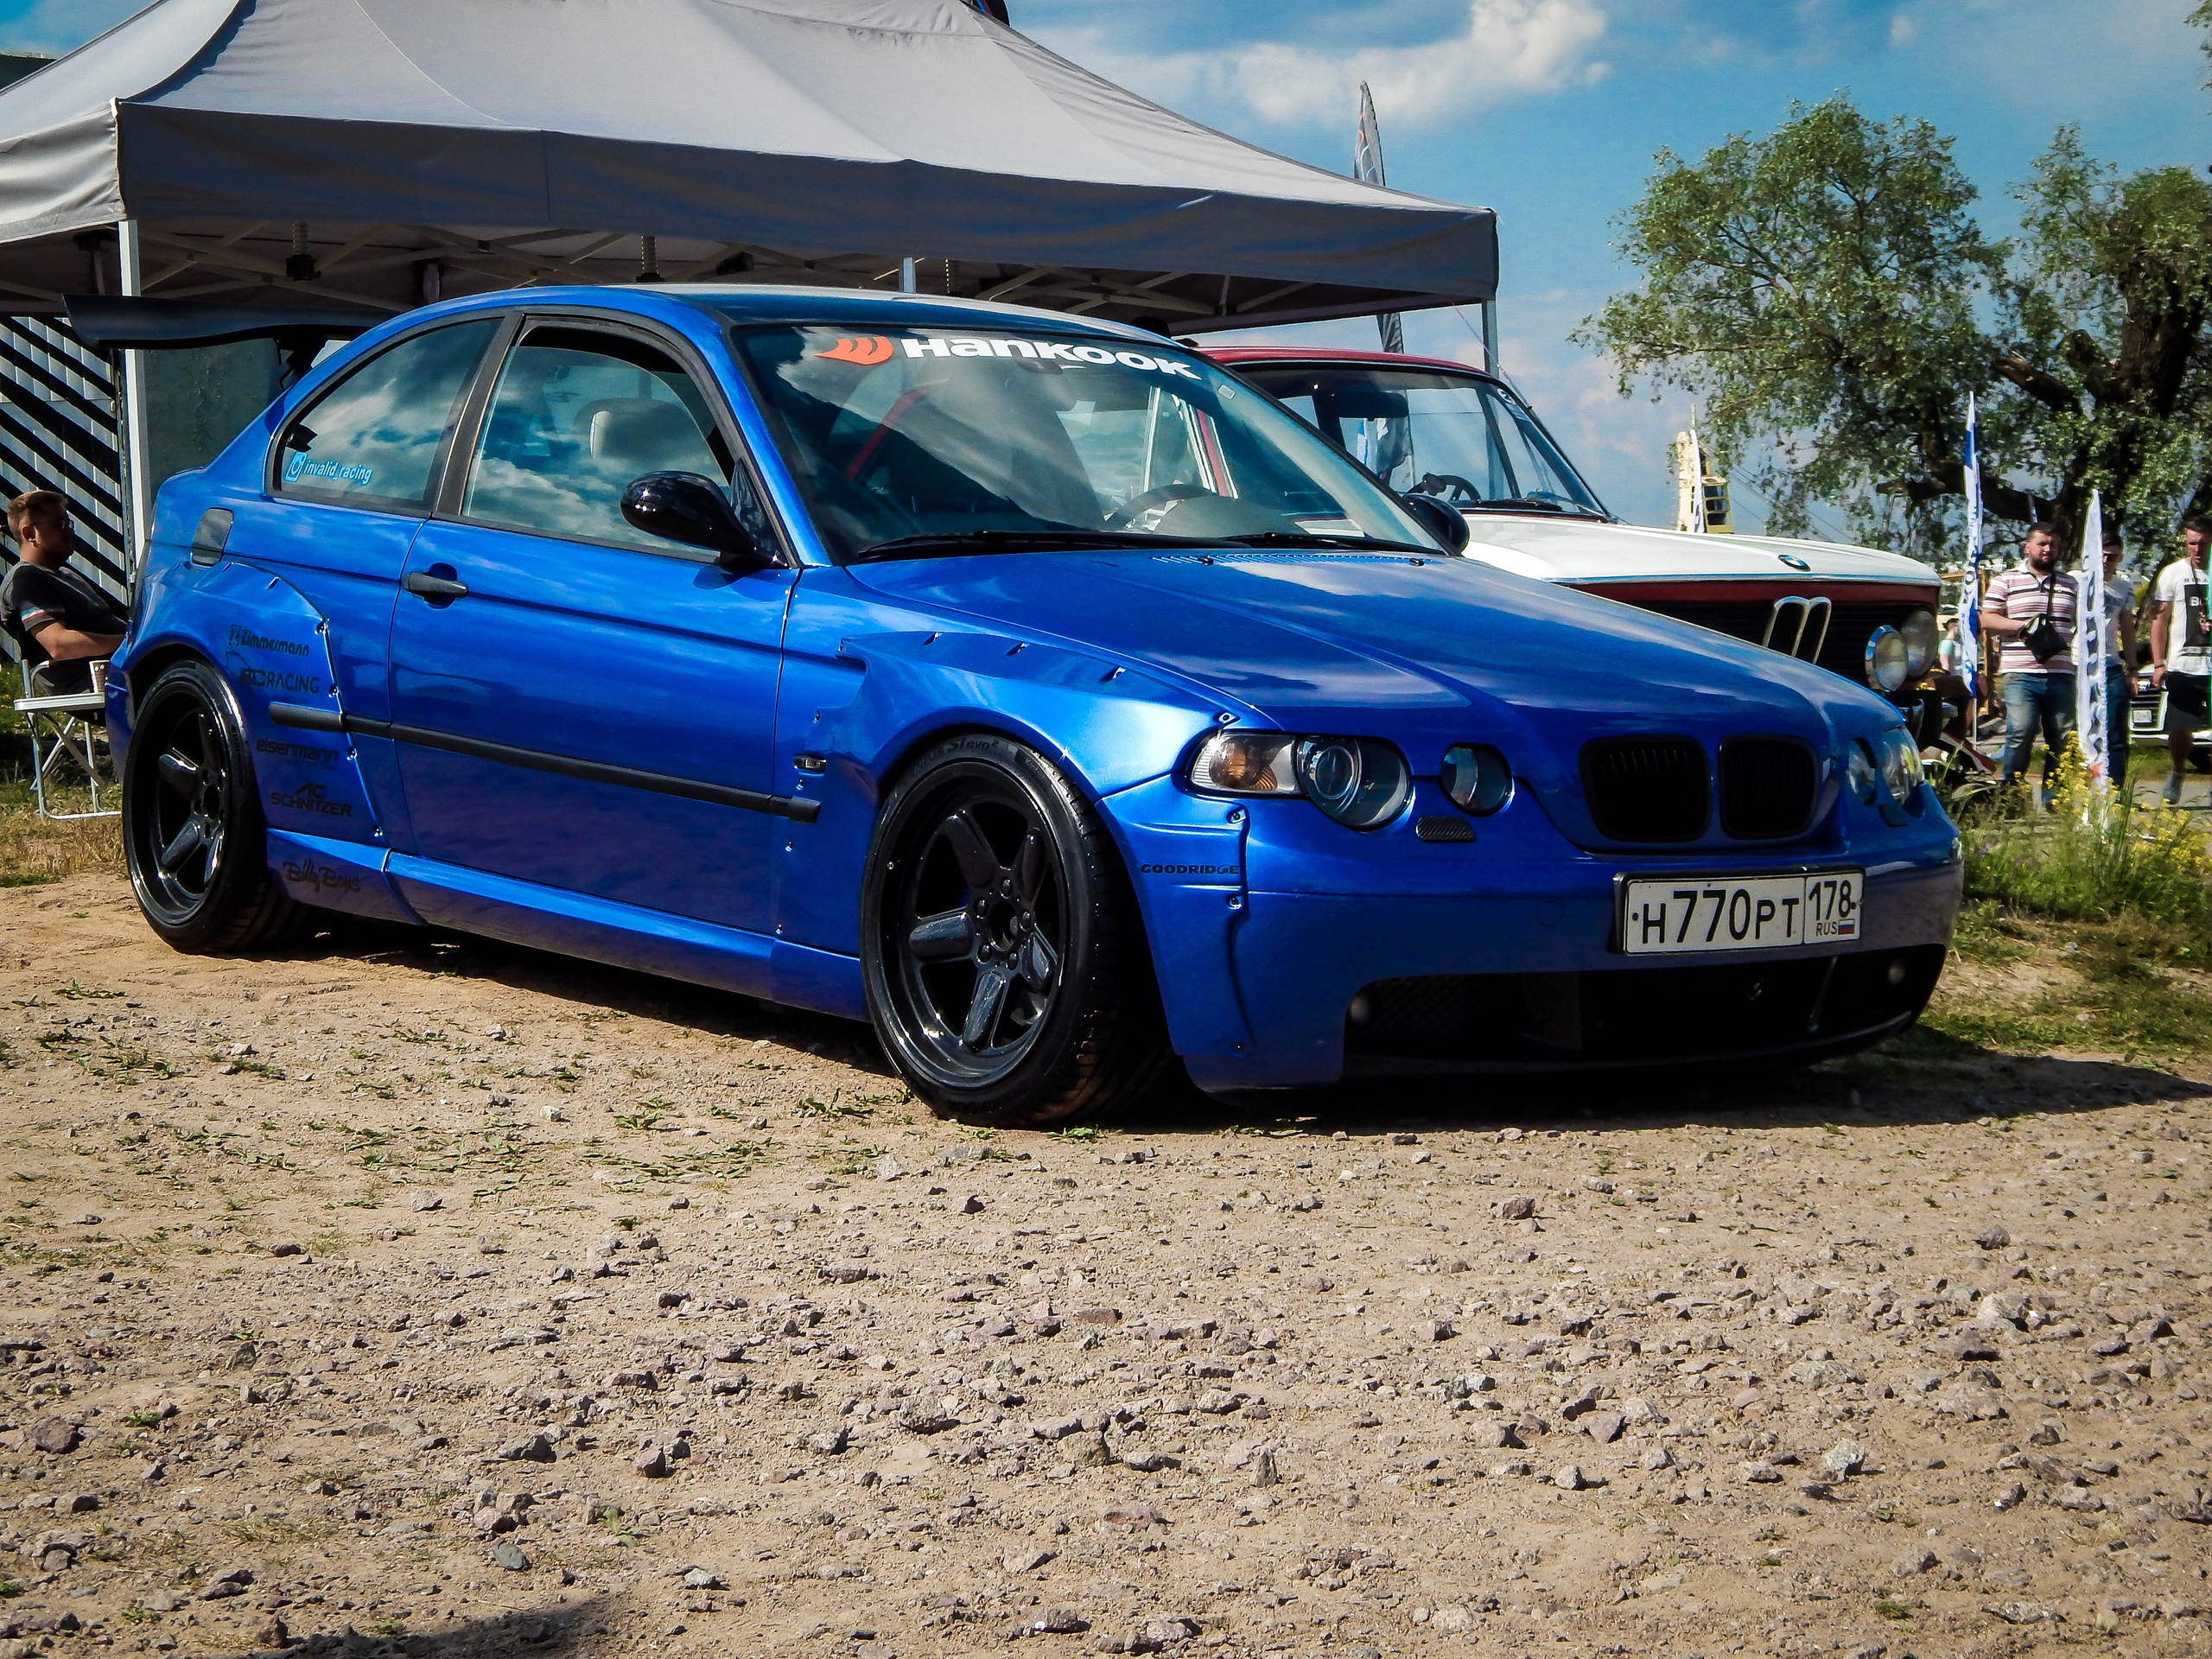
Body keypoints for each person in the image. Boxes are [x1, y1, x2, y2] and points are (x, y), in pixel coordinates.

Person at [1980, 521, 2077, 805]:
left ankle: (2054, 798)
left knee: (2061, 737)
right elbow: (1987, 619)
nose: (2048, 549)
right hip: (2020, 673)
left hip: (2060, 672)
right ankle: (2011, 792)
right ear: (2028, 547)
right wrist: (2023, 627)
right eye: (2042, 544)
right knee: (2021, 730)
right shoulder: (2005, 580)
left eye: (2053, 545)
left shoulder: (2070, 584)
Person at [0, 490, 124, 696]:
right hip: (93, 682)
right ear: (30, 534)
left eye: (69, 523)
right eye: (59, 525)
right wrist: (133, 642)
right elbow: (59, 645)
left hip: (122, 670)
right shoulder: (26, 579)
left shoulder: (64, 575)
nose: (69, 531)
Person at [2148, 514, 2212, 804]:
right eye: (2192, 543)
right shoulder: (2173, 573)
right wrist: (2159, 663)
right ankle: (2178, 770)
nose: (2197, 550)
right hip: (2184, 665)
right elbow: (2159, 621)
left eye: (2203, 543)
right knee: (2179, 728)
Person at [2099, 529, 2137, 791]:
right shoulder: (2074, 580)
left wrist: (2132, 667)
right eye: (2101, 555)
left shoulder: (2123, 588)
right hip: (2076, 663)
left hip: (2111, 663)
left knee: (2115, 732)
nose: (2105, 561)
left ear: (2120, 558)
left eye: (2111, 557)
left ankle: (2116, 790)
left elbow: (2127, 629)